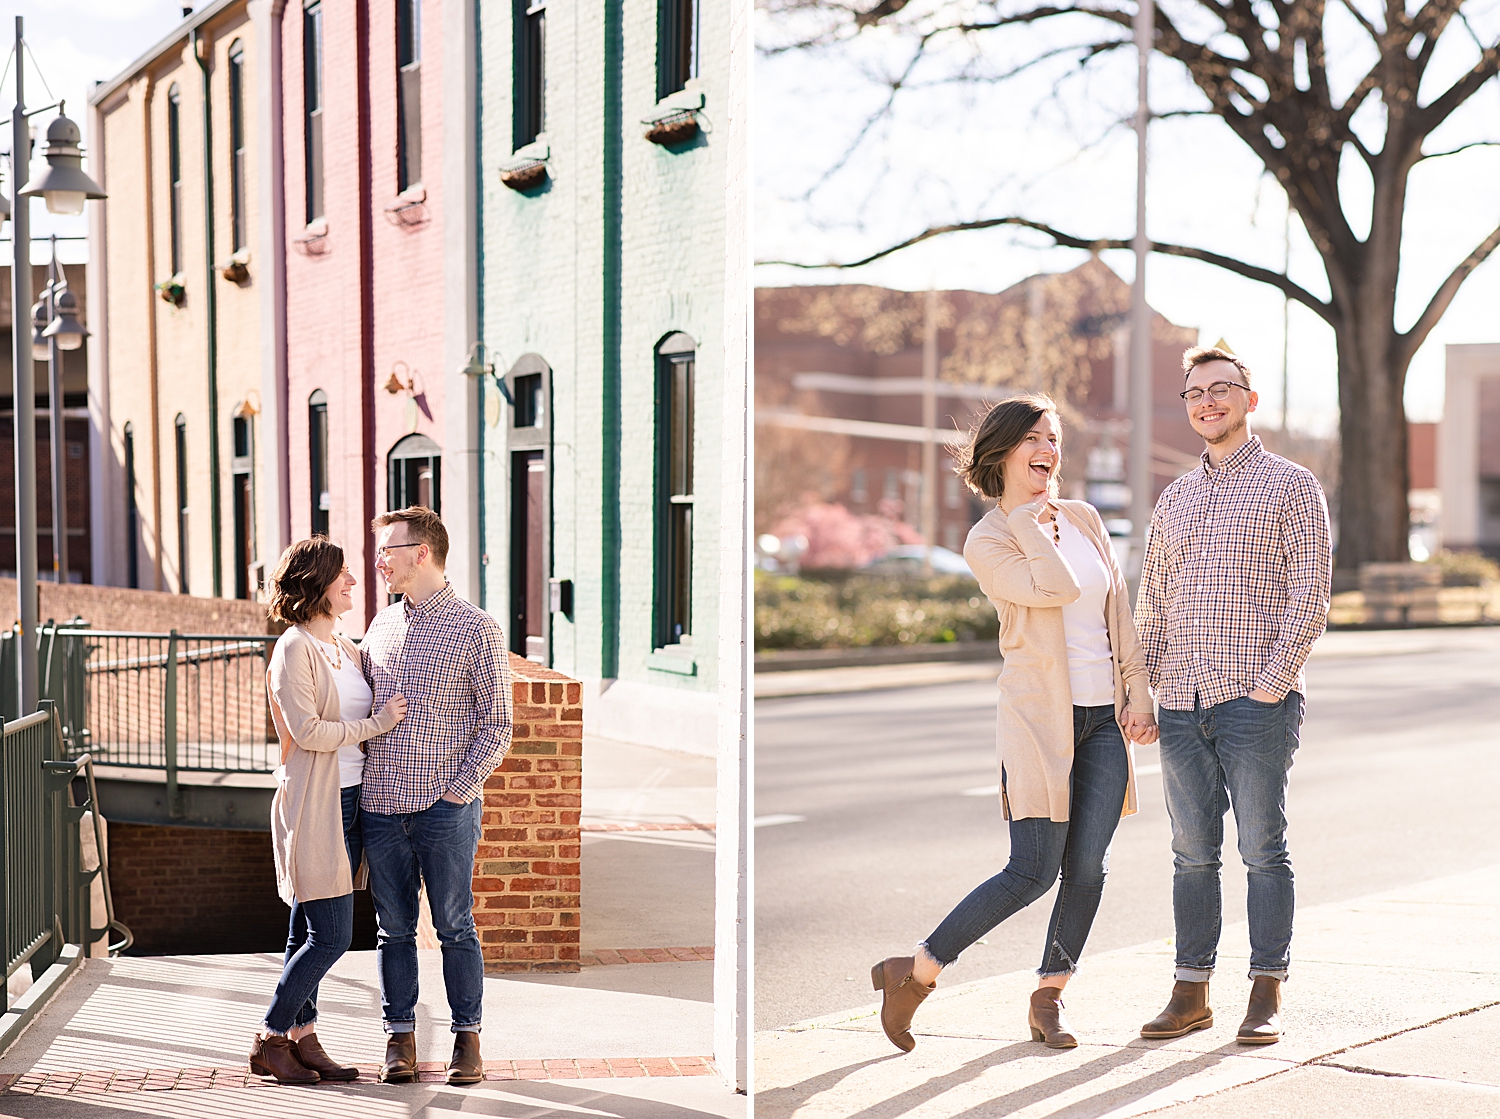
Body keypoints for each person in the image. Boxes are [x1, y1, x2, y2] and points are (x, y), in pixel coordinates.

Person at [871, 394, 1159, 1054]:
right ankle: (914, 973)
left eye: (1055, 438)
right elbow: (1053, 588)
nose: (1049, 450)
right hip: (1037, 723)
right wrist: (1029, 517)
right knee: (1032, 871)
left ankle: (1048, 996)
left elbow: (1119, 612)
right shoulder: (988, 537)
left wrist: (1138, 695)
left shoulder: (1084, 517)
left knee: (1088, 867)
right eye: (1035, 437)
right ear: (1001, 451)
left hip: (1105, 722)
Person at [1136, 346, 1331, 1046]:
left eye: (1221, 389)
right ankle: (1190, 991)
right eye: (1195, 392)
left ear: (1249, 399)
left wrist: (1270, 685)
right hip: (1180, 703)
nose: (1207, 401)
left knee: (1262, 849)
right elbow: (1152, 602)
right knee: (1191, 852)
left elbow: (1310, 594)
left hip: (1256, 701)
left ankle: (1266, 990)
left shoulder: (1292, 485)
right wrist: (1144, 688)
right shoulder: (1175, 497)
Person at [359, 506, 513, 1086]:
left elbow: (497, 724)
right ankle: (398, 1039)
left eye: (388, 551)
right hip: (382, 806)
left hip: (444, 809)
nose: (379, 562)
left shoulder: (477, 628)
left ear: (421, 553)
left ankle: (466, 1039)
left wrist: (457, 792)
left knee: (454, 925)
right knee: (392, 929)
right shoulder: (380, 626)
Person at [252, 538, 408, 1084]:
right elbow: (307, 731)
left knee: (304, 931)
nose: (353, 582)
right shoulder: (294, 649)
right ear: (315, 583)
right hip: (316, 804)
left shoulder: (344, 646)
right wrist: (377, 725)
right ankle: (271, 1036)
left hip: (352, 799)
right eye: (342, 574)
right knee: (333, 935)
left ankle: (303, 1039)